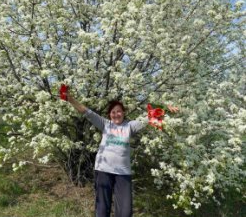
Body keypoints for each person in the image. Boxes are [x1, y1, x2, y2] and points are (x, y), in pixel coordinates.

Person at [62, 88, 178, 217]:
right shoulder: (105, 124)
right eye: (113, 112)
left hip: (123, 173)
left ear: (123, 113)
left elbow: (150, 118)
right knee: (102, 209)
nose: (116, 114)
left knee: (125, 211)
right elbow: (86, 112)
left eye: (119, 111)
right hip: (103, 170)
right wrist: (70, 99)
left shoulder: (130, 126)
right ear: (109, 114)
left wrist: (166, 110)